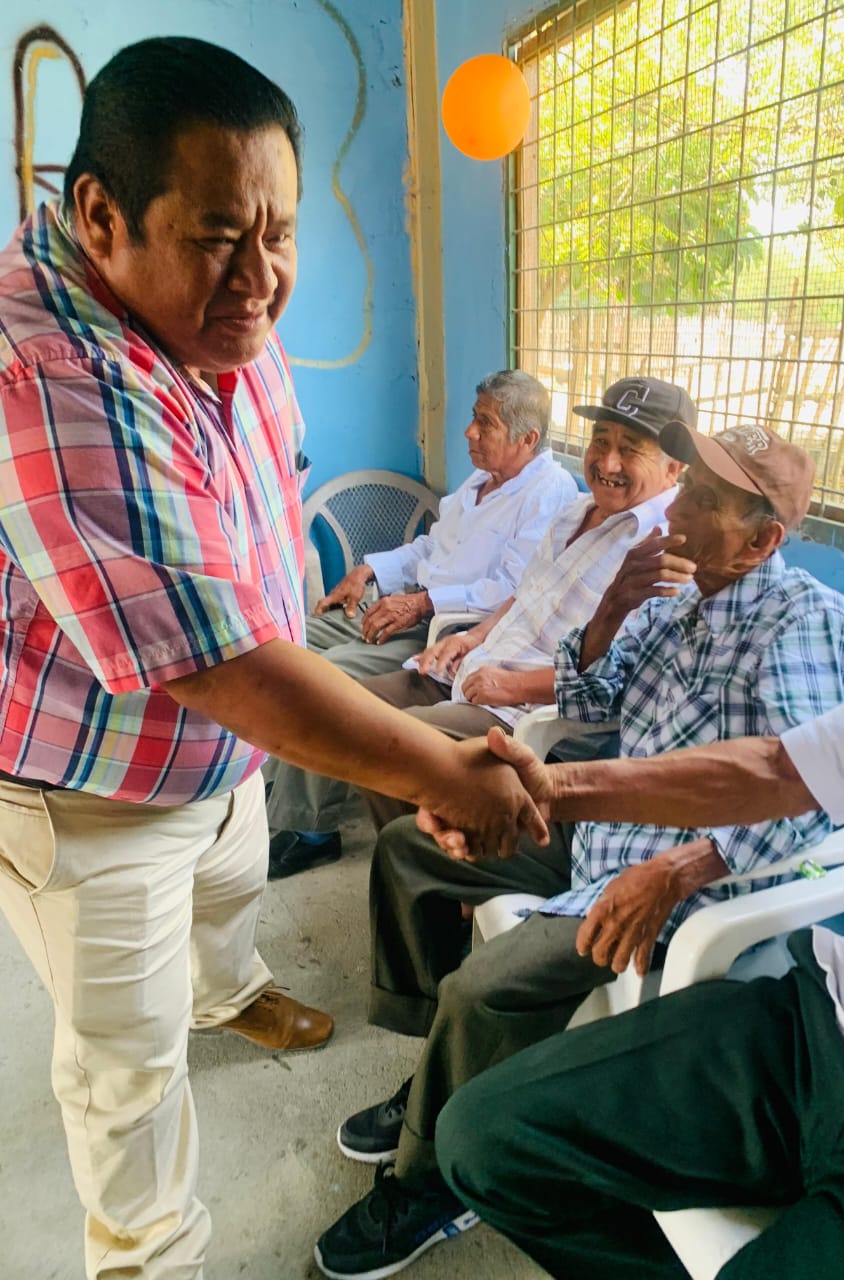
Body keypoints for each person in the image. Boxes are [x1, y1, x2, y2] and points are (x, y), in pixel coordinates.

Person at [0, 38, 544, 1280]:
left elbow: (266, 498)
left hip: (222, 751)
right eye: (217, 238)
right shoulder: (47, 368)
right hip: (95, 787)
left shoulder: (218, 311)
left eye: (282, 234)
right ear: (102, 215)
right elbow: (217, 663)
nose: (261, 279)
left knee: (232, 883)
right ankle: (149, 1255)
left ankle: (228, 986)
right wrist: (439, 770)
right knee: (126, 1069)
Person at [313, 423, 844, 1279]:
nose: (674, 514)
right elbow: (588, 696)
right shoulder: (676, 598)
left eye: (704, 502)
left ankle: (430, 1185)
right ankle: (442, 1072)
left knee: (485, 986)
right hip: (607, 828)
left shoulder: (806, 622)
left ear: (762, 541)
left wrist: (683, 867)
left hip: (682, 876)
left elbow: (810, 792)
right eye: (686, 490)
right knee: (407, 851)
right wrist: (613, 604)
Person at [435, 633, 844, 1280]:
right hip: (834, 1022)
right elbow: (784, 771)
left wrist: (682, 867)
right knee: (483, 1138)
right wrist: (552, 788)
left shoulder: (801, 624)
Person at [275, 374, 694, 840]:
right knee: (343, 708)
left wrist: (510, 683)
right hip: (473, 666)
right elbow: (525, 592)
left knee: (390, 741)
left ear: (674, 467)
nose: (607, 462)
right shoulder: (576, 510)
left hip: (520, 708)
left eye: (630, 449)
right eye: (600, 441)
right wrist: (471, 638)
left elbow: (620, 679)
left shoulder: (662, 553)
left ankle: (422, 854)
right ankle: (410, 848)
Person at [264, 368, 577, 877]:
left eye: (485, 423)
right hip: (410, 603)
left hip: (446, 627)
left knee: (328, 677)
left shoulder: (549, 494)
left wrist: (423, 603)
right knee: (286, 639)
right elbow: (432, 546)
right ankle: (276, 780)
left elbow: (512, 590)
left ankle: (309, 827)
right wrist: (368, 570)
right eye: (474, 418)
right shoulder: (484, 478)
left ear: (527, 439)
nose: (469, 432)